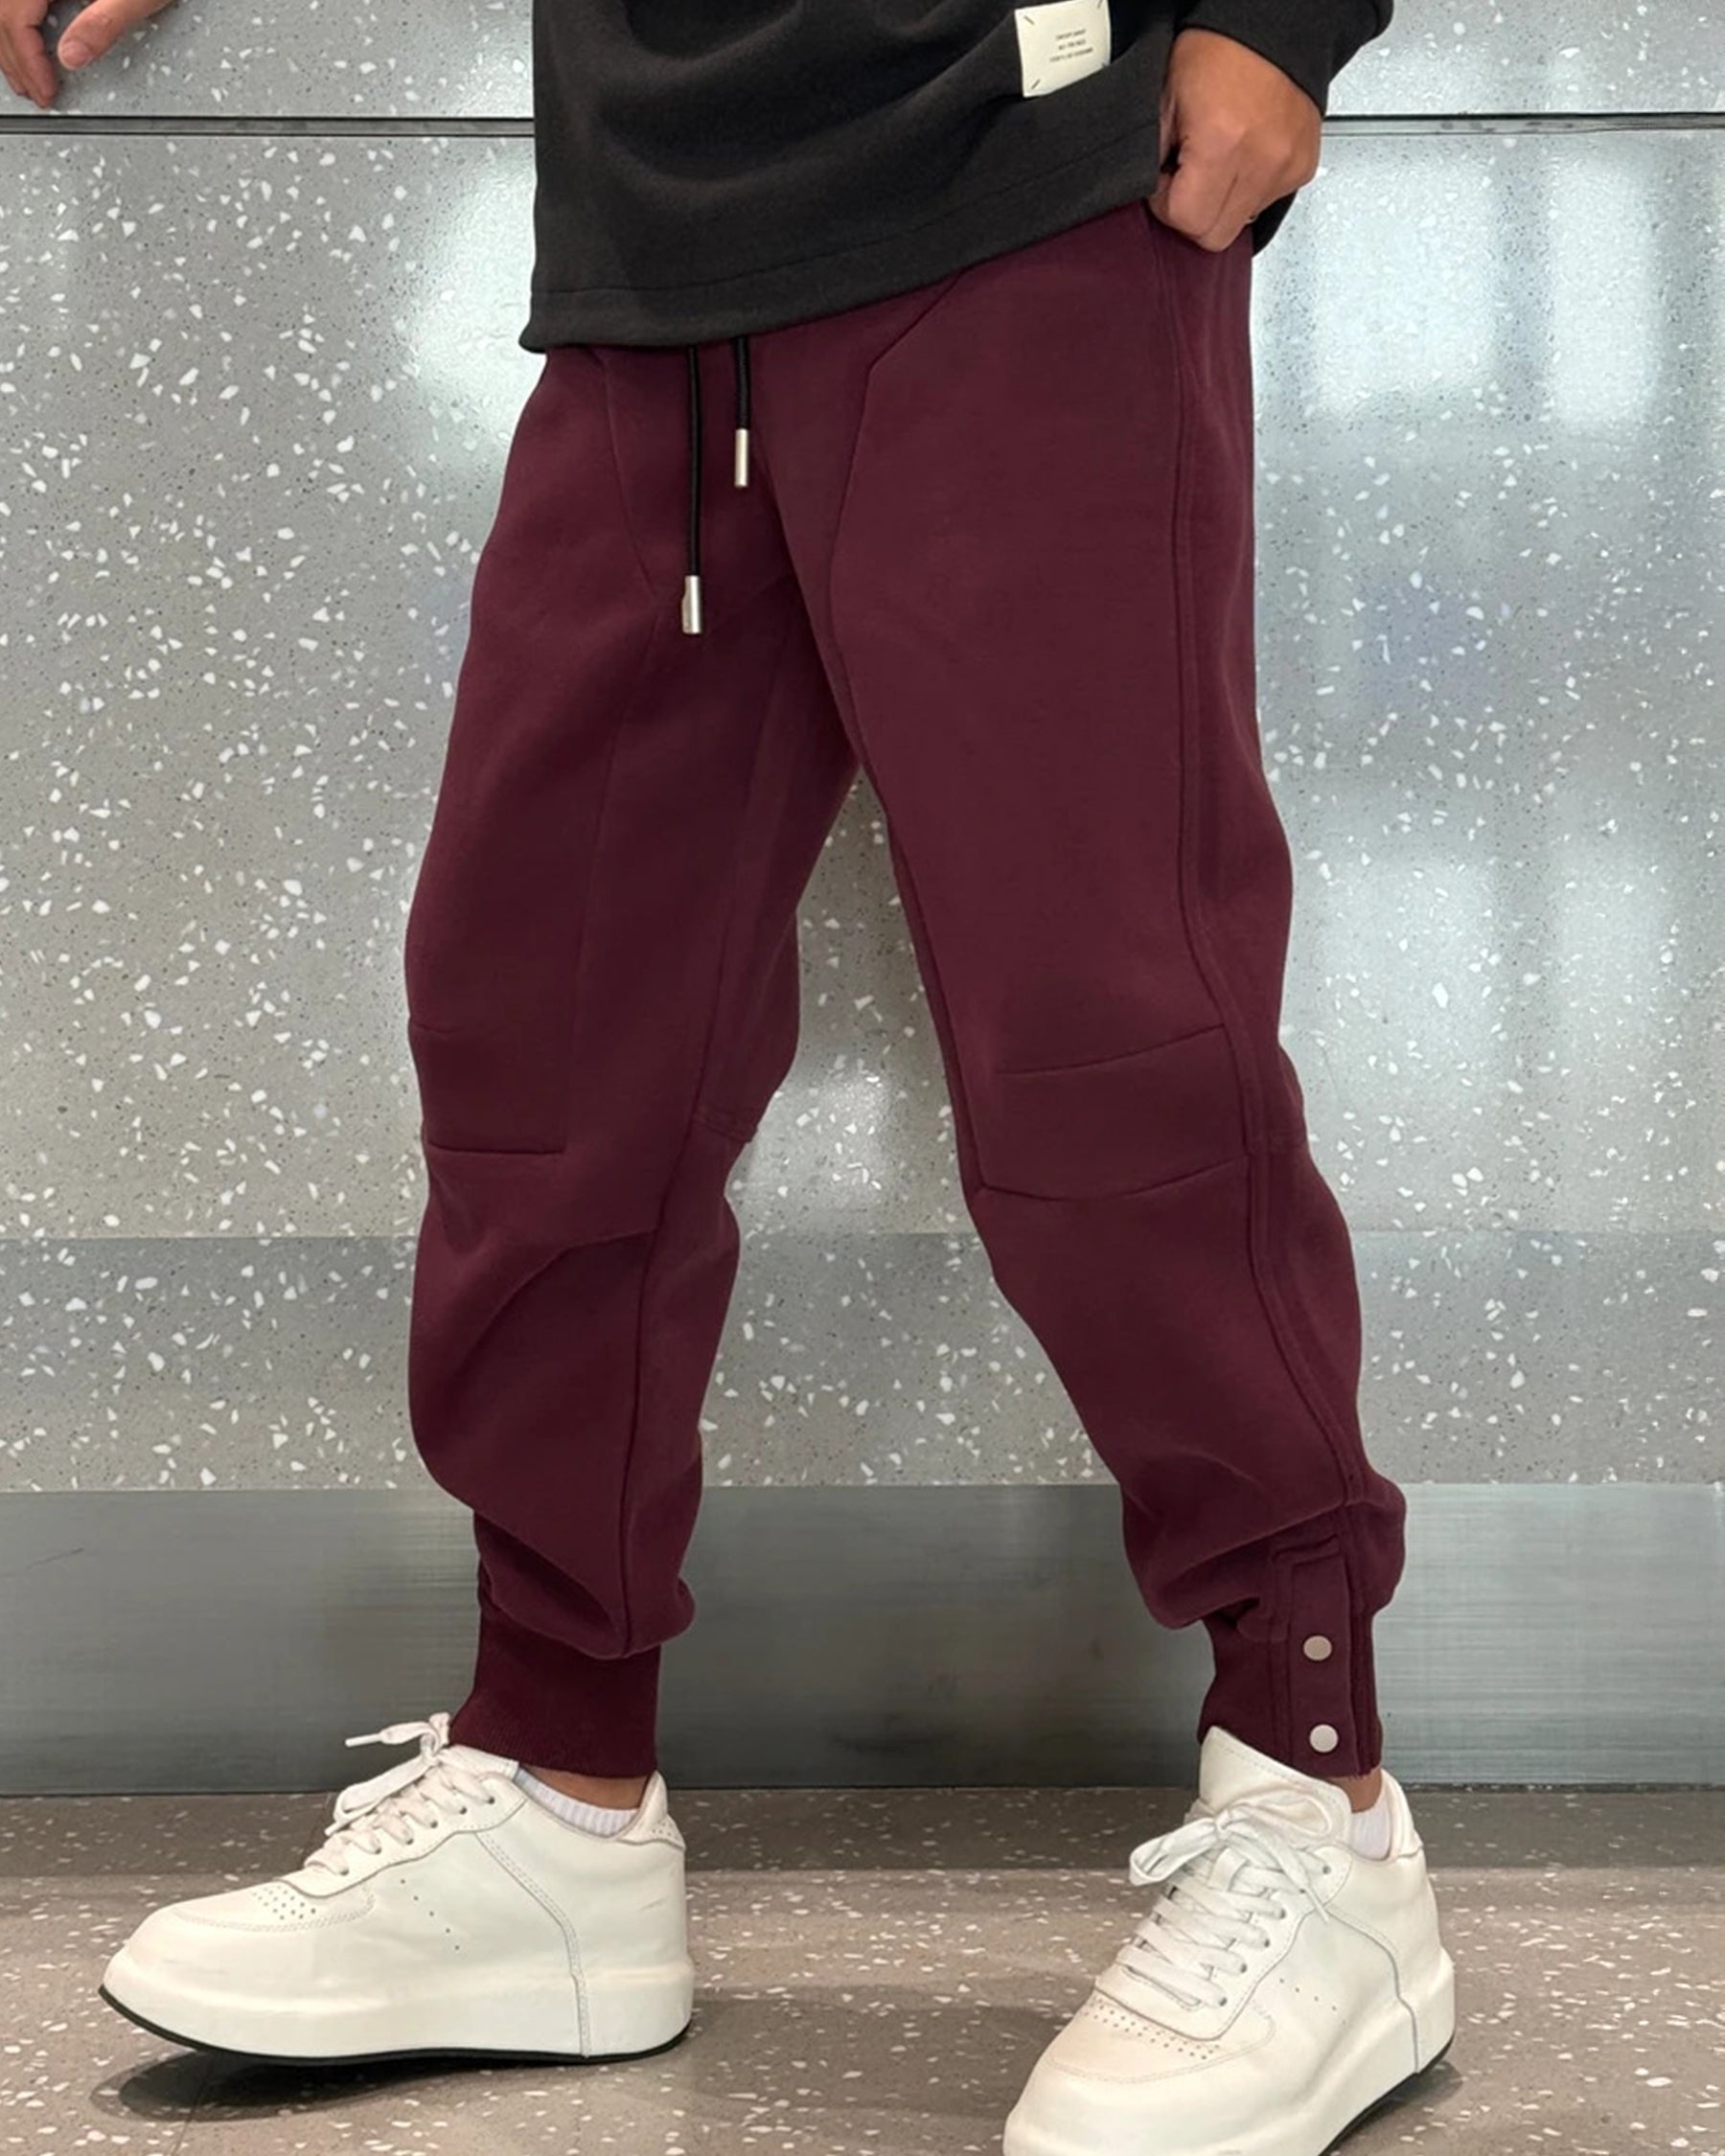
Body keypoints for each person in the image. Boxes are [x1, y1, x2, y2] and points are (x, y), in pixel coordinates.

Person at [12, 0, 1457, 2145]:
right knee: (548, 1031)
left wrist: (1285, 11)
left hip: (1022, 181)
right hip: (657, 249)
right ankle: (557, 1795)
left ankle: (1318, 1802)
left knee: (1106, 1039)